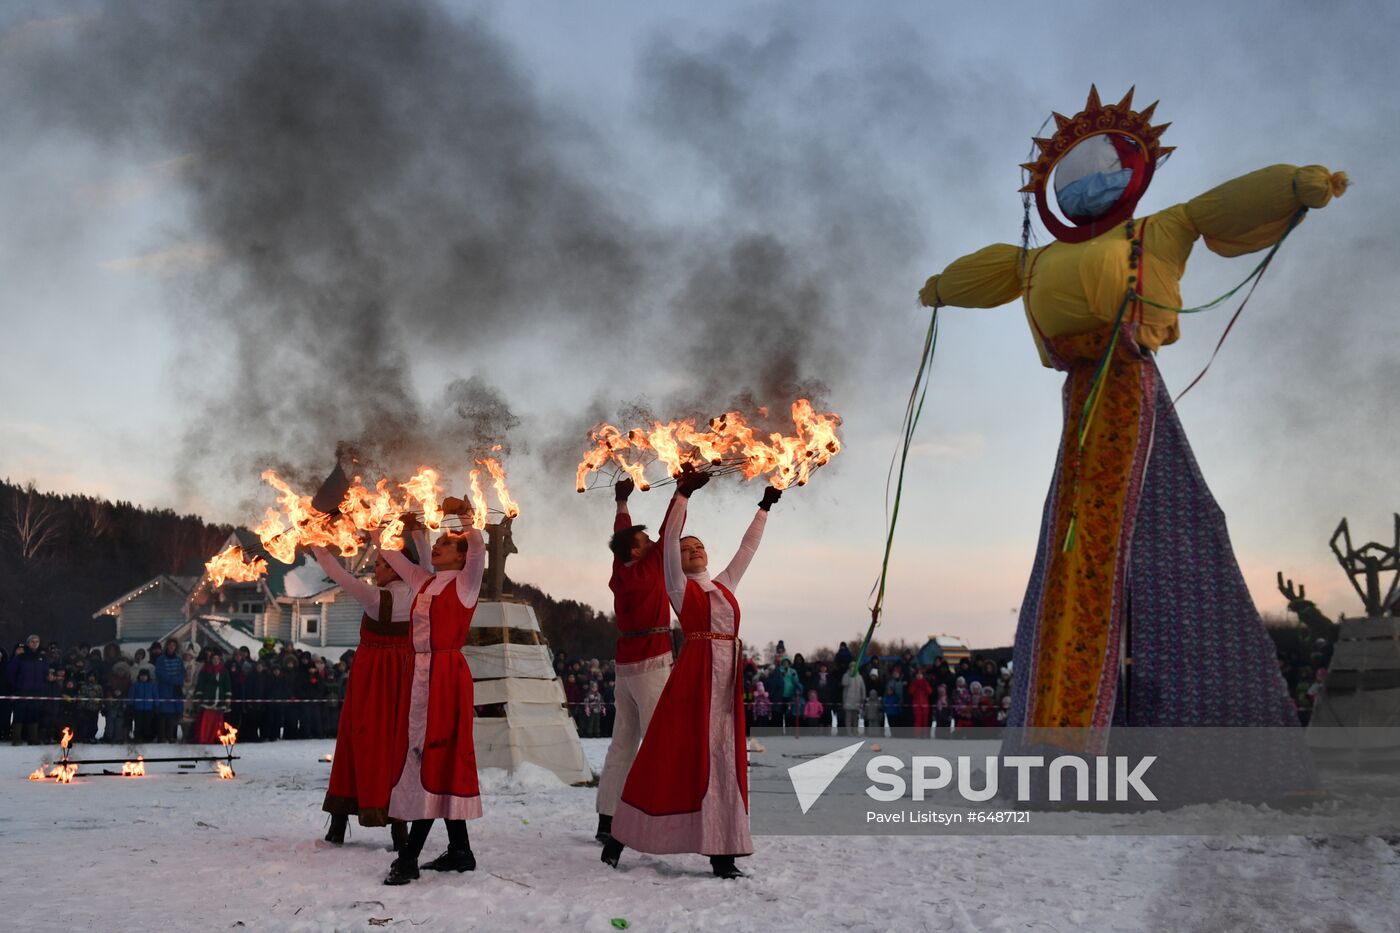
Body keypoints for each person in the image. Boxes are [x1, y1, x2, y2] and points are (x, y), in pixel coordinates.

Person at [918, 86, 1346, 745]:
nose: (1089, 184)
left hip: (1128, 387)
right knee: (1073, 546)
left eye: (1102, 170)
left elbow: (1224, 205)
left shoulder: (1156, 230)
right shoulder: (1039, 259)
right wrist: (943, 287)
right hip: (1080, 406)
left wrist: (1294, 186)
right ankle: (1063, 727)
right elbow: (989, 273)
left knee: (1132, 539)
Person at [604, 472, 781, 880]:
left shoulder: (725, 584)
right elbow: (667, 544)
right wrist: (682, 495)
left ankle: (723, 851)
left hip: (725, 683)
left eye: (699, 547)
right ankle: (621, 835)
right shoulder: (679, 588)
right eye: (687, 549)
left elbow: (747, 548)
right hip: (693, 678)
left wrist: (764, 507)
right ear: (678, 563)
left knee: (723, 761)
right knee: (666, 754)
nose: (694, 550)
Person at [377, 501, 487, 886]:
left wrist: (464, 517)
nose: (437, 547)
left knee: (433, 756)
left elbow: (478, 547)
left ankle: (409, 857)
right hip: (419, 673)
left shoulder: (466, 583)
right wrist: (375, 520)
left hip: (446, 677)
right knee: (425, 755)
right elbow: (388, 551)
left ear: (460, 555)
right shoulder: (424, 581)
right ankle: (460, 851)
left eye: (446, 543)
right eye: (436, 542)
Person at [312, 525, 430, 850]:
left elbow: (339, 575)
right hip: (405, 676)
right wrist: (419, 533)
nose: (374, 567)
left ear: (395, 566)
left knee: (357, 742)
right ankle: (398, 828)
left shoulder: (377, 597)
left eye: (380, 563)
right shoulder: (423, 589)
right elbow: (427, 561)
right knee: (398, 747)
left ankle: (340, 823)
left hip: (373, 680)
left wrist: (317, 544)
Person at [594, 476, 683, 844]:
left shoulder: (620, 567)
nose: (650, 546)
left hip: (626, 664)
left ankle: (607, 819)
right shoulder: (646, 568)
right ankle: (660, 816)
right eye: (644, 544)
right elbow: (670, 533)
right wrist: (683, 492)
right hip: (651, 660)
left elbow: (623, 534)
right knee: (659, 740)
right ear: (635, 552)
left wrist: (621, 503)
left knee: (622, 742)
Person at [153, 639, 186, 743]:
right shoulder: (161, 659)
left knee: (173, 714)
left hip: (175, 690)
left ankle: (171, 735)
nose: (171, 647)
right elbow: (160, 673)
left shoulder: (179, 659)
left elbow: (182, 673)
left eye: (173, 645)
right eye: (170, 645)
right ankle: (162, 736)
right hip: (164, 688)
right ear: (166, 646)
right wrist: (172, 680)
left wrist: (177, 681)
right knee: (163, 713)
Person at [129, 669, 158, 742]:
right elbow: (132, 695)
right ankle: (138, 737)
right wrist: (131, 704)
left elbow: (155, 696)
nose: (143, 677)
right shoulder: (136, 685)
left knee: (147, 724)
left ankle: (147, 738)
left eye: (145, 676)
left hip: (149, 708)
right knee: (138, 723)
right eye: (142, 676)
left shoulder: (152, 685)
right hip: (138, 708)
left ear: (148, 676)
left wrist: (156, 705)